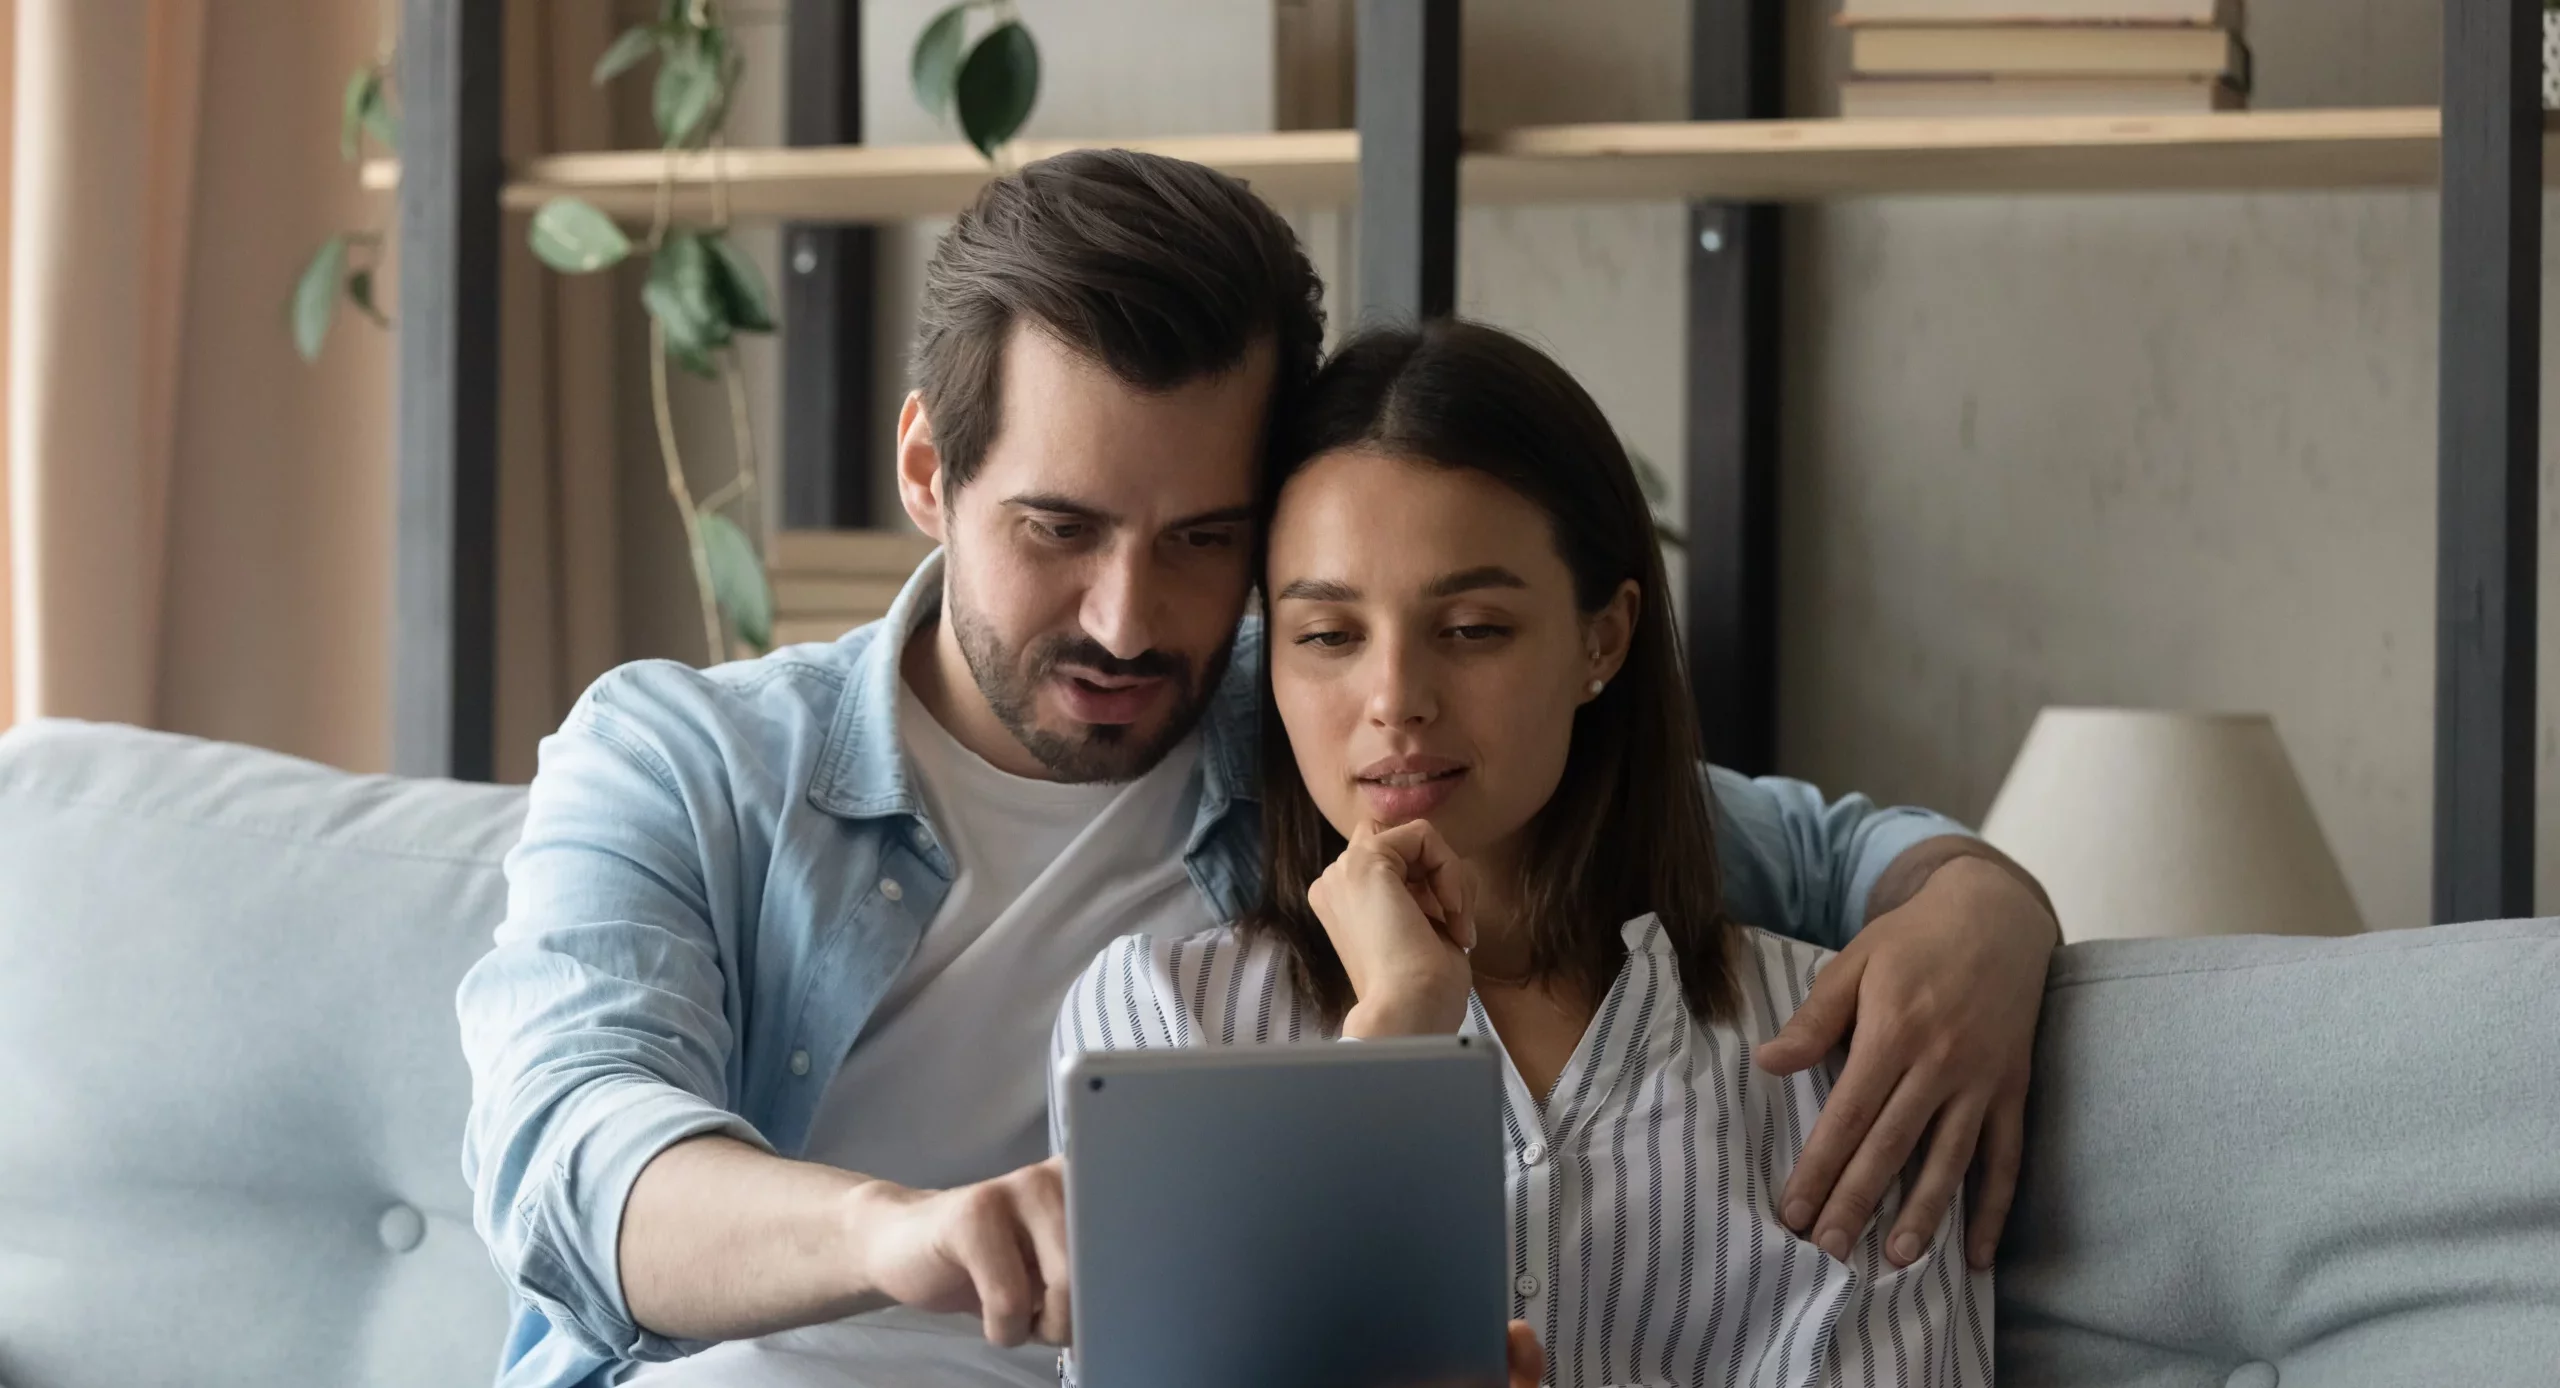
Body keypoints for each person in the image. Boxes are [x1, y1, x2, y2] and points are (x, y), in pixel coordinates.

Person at [455, 150, 2056, 1388]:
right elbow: (569, 1153)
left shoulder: (1324, 726)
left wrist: (1985, 912)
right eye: (1059, 530)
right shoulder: (688, 760)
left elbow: (1817, 851)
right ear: (930, 472)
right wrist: (900, 1231)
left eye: (1205, 541)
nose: (1129, 618)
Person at [1054, 317, 1998, 1388]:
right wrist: (1397, 1028)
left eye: (1469, 628)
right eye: (1327, 635)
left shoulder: (1847, 1049)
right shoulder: (1156, 1031)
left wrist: (1987, 903)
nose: (1396, 698)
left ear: (1601, 638)